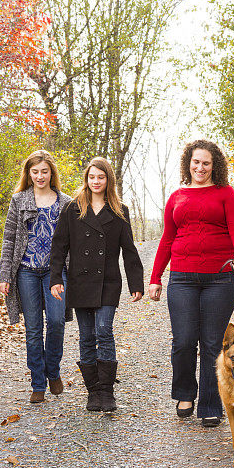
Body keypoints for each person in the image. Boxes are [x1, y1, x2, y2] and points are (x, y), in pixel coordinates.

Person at [149, 139, 234, 427]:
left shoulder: (226, 194)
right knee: (183, 341)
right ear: (188, 164)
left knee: (211, 343)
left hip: (220, 278)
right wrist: (155, 278)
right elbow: (167, 239)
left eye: (206, 163)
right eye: (196, 162)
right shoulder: (177, 197)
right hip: (182, 278)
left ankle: (210, 402)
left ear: (214, 165)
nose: (200, 167)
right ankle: (184, 394)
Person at [50, 156, 144, 412]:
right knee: (87, 336)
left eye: (100, 177)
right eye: (92, 177)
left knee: (104, 330)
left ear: (108, 180)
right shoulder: (73, 208)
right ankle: (93, 392)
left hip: (108, 282)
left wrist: (136, 282)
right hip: (80, 281)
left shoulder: (119, 210)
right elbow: (59, 246)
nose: (96, 181)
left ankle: (107, 392)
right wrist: (56, 278)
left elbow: (129, 249)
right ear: (86, 179)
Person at [0, 150, 72, 404]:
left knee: (56, 321)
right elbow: (9, 239)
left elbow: (71, 242)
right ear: (28, 174)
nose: (40, 176)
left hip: (55, 274)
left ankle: (53, 371)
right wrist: (5, 274)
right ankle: (38, 383)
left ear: (52, 173)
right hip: (26, 271)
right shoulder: (19, 201)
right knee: (33, 329)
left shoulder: (65, 202)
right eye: (35, 171)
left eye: (44, 171)